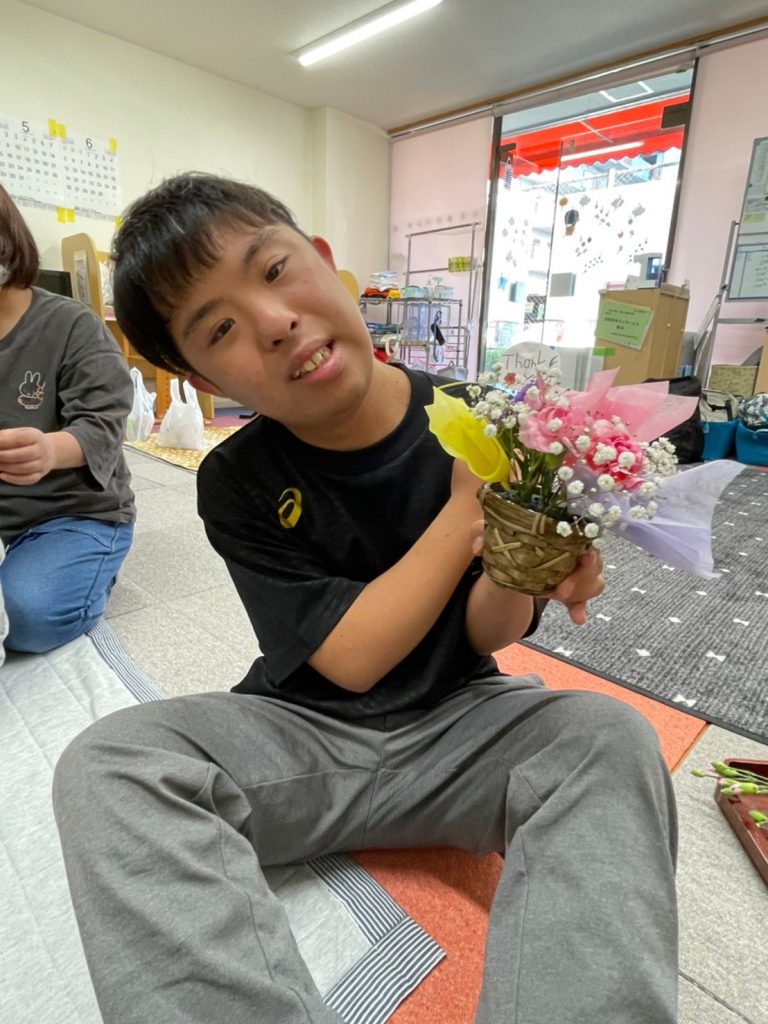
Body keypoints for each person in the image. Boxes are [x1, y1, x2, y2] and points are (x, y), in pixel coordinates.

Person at [53, 173, 678, 1024]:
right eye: (221, 329)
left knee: (610, 737)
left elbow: (490, 630)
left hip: (465, 726)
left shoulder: (481, 419)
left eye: (274, 271)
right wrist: (465, 514)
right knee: (111, 763)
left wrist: (526, 565)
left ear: (325, 262)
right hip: (307, 738)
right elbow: (350, 660)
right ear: (197, 376)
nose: (274, 323)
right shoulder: (235, 478)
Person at [0, 185, 135, 653]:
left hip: (71, 510)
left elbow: (102, 425)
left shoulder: (71, 325)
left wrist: (47, 450)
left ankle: (90, 568)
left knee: (26, 614)